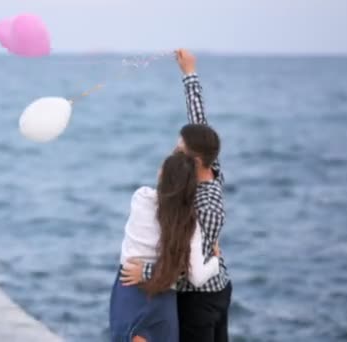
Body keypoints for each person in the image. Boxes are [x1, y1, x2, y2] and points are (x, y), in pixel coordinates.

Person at [120, 49, 232, 342]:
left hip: (200, 301)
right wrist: (189, 73)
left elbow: (188, 271)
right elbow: (200, 121)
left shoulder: (204, 205)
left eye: (178, 152)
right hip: (216, 289)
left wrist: (145, 271)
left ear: (195, 162)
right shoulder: (209, 166)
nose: (172, 154)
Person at [109, 151, 221, 342]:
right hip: (162, 296)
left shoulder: (141, 198)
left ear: (162, 174)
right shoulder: (189, 223)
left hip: (130, 288)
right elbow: (198, 276)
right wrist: (215, 261)